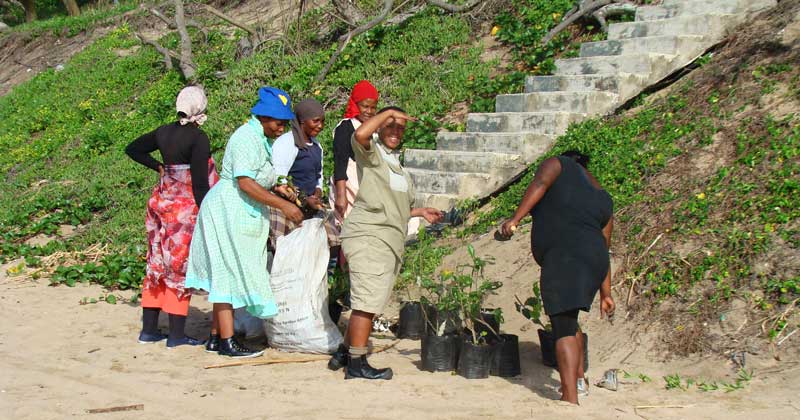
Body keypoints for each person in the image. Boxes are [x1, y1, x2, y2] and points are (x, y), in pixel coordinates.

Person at [185, 87, 303, 358]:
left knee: (228, 272)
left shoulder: (261, 139)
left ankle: (216, 336)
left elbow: (260, 176)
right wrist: (283, 206)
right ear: (262, 117)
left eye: (284, 124)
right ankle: (227, 341)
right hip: (227, 210)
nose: (281, 129)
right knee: (228, 273)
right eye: (278, 123)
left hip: (239, 211)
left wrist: (280, 188)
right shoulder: (245, 138)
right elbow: (245, 182)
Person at [327, 107, 443, 379]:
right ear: (380, 126)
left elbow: (394, 205)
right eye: (390, 125)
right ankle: (357, 364)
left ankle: (344, 353)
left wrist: (421, 212)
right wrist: (389, 111)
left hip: (387, 238)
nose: (395, 131)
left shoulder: (395, 163)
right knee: (367, 302)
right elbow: (360, 134)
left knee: (370, 298)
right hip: (370, 235)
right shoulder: (372, 152)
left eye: (401, 127)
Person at [500, 151, 615, 404]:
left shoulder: (559, 164)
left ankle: (569, 398)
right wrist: (607, 293)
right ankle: (580, 381)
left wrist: (514, 220)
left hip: (566, 256)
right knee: (569, 318)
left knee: (562, 326)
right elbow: (604, 246)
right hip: (593, 260)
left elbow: (540, 184)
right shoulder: (603, 198)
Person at [125, 85, 220, 348]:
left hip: (160, 203)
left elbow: (132, 149)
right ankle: (177, 335)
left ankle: (149, 331)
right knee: (179, 268)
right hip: (184, 211)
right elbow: (200, 183)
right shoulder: (198, 138)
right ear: (200, 107)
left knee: (157, 264)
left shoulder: (163, 132)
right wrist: (207, 212)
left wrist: (159, 166)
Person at [269, 98, 330, 248]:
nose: (320, 126)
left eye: (322, 121)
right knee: (290, 251)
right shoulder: (286, 143)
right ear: (302, 121)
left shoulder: (316, 146)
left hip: (310, 206)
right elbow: (280, 180)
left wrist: (317, 192)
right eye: (315, 121)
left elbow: (318, 175)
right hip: (287, 207)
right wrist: (303, 199)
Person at [329, 80, 379, 224]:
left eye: (373, 107)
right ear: (355, 104)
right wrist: (341, 195)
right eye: (365, 106)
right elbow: (340, 162)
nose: (369, 111)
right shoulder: (345, 128)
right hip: (350, 185)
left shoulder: (374, 128)